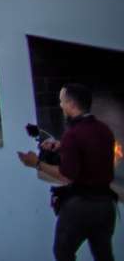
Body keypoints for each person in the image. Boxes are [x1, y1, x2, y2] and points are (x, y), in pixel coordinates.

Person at [22, 81, 118, 261]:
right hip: (106, 206)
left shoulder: (73, 134)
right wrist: (63, 146)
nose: (60, 106)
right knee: (104, 255)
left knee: (63, 252)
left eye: (62, 101)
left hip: (81, 206)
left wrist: (36, 163)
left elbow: (67, 175)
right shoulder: (104, 130)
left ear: (72, 105)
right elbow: (91, 154)